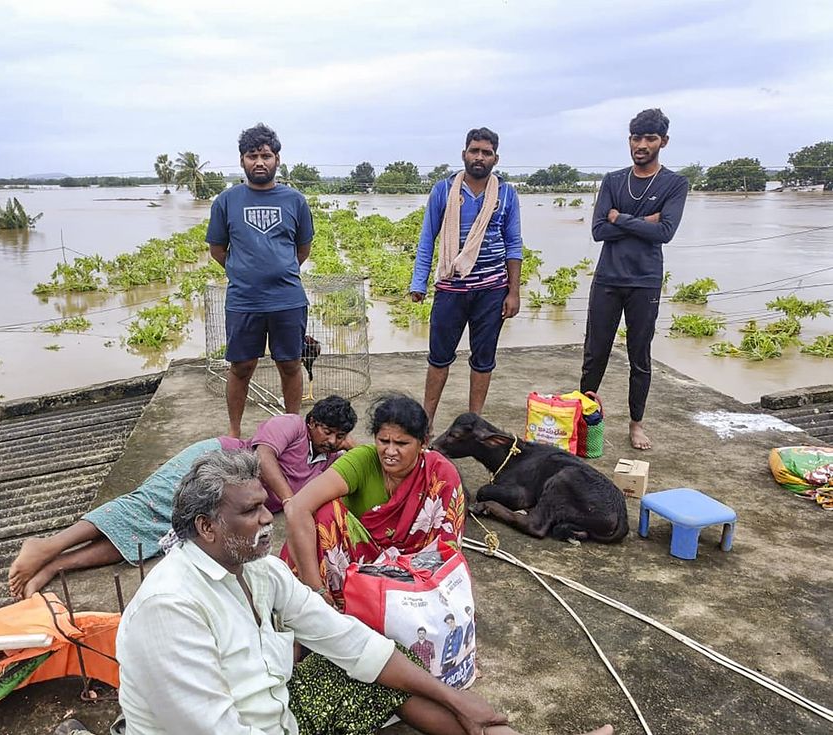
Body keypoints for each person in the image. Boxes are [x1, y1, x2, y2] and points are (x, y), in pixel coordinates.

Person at [115, 448, 613, 735]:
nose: (269, 519)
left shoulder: (259, 571)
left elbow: (345, 638)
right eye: (250, 512)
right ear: (206, 527)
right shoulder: (170, 609)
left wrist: (458, 699)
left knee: (377, 661)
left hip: (277, 714)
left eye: (265, 506)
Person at [7, 396, 355, 599]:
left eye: (340, 436)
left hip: (227, 499)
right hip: (214, 462)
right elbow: (263, 457)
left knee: (156, 538)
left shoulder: (328, 460)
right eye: (327, 430)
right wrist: (289, 500)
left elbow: (363, 455)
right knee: (145, 506)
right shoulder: (291, 424)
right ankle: (47, 545)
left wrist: (344, 445)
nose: (332, 440)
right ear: (311, 422)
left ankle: (56, 565)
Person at [282, 394, 465, 607]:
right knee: (323, 514)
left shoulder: (440, 475)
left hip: (414, 577)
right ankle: (327, 605)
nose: (390, 452)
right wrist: (315, 588)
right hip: (357, 567)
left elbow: (447, 546)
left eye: (401, 443)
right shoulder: (363, 460)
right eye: (383, 441)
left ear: (422, 443)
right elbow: (297, 507)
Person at [580, 108, 689, 451]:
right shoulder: (613, 180)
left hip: (645, 281)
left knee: (639, 354)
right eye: (636, 138)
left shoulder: (675, 183)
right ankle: (585, 415)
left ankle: (636, 423)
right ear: (629, 141)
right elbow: (599, 230)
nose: (642, 145)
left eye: (650, 138)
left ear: (663, 142)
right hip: (608, 279)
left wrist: (620, 217)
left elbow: (666, 232)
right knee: (595, 352)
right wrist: (644, 221)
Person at [410, 127, 523, 430]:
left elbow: (513, 244)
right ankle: (427, 422)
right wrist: (418, 283)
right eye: (474, 150)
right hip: (450, 288)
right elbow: (427, 239)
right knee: (438, 358)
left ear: (495, 158)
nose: (479, 157)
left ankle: (475, 424)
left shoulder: (507, 194)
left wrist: (514, 292)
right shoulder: (443, 190)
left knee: (483, 360)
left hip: (492, 290)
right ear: (464, 154)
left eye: (486, 152)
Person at [206, 123, 315, 438]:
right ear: (242, 161)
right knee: (241, 367)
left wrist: (279, 270)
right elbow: (217, 250)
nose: (259, 162)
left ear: (277, 160)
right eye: (252, 156)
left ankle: (291, 429)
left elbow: (302, 248)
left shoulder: (295, 201)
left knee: (290, 364)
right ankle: (234, 432)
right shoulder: (227, 201)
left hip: (288, 300)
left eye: (266, 156)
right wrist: (244, 271)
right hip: (244, 301)